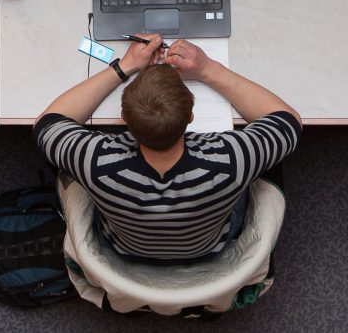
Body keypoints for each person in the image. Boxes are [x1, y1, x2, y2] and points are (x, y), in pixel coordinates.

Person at [34, 35, 301, 265]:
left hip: (123, 249)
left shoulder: (97, 162)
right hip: (209, 247)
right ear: (190, 119)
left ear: (123, 121)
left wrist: (125, 66)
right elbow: (288, 121)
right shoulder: (231, 159)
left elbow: (47, 124)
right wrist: (208, 69)